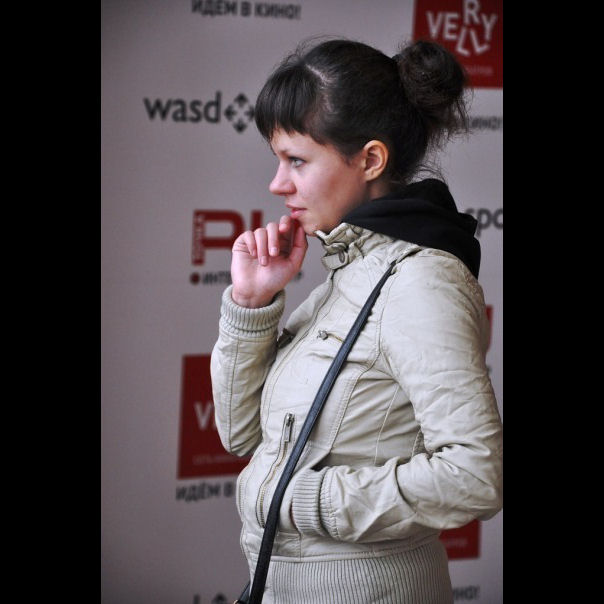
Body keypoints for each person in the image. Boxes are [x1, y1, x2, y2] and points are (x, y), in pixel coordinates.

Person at [210, 36, 503, 604]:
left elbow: (476, 475)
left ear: (370, 160)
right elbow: (241, 436)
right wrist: (250, 306)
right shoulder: (348, 274)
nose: (277, 183)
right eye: (278, 159)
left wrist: (301, 499)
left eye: (297, 160)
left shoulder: (420, 281)